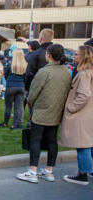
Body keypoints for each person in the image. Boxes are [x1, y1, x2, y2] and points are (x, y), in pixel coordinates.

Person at [17, 44, 71, 184]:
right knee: (52, 141)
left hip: (41, 111)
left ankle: (32, 172)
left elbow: (33, 93)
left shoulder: (44, 72)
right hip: (56, 111)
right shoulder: (65, 71)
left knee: (35, 141)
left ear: (49, 55)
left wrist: (30, 104)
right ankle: (48, 171)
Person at [59, 45, 93, 185]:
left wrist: (71, 108)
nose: (74, 56)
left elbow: (84, 95)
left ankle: (82, 174)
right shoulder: (89, 72)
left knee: (82, 144)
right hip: (88, 113)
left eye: (77, 54)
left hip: (81, 114)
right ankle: (89, 170)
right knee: (88, 143)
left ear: (84, 57)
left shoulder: (84, 73)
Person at [0, 49, 26, 129]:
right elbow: (26, 77)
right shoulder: (25, 65)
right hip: (21, 87)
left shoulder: (10, 64)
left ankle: (5, 123)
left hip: (11, 86)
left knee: (8, 106)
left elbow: (5, 75)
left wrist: (10, 81)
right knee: (18, 107)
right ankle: (15, 125)